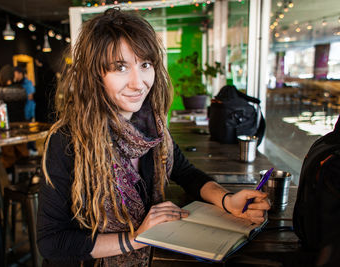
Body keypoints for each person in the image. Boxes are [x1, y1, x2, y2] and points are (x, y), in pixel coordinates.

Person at [36, 8, 270, 266]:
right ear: (95, 76)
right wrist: (136, 238)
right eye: (121, 67)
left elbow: (186, 171)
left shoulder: (150, 125)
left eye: (145, 64)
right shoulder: (67, 140)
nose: (139, 83)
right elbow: (52, 242)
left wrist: (228, 201)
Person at [13, 66, 38, 155]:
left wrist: (30, 113)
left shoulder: (27, 83)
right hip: (21, 113)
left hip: (27, 112)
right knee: (24, 133)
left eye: (15, 73)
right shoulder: (16, 84)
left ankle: (32, 150)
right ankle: (27, 151)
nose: (15, 75)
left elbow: (30, 98)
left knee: (29, 133)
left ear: (20, 73)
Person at [34, 53, 56, 123]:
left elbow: (41, 90)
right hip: (51, 103)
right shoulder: (51, 71)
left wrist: (34, 96)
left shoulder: (41, 72)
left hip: (43, 105)